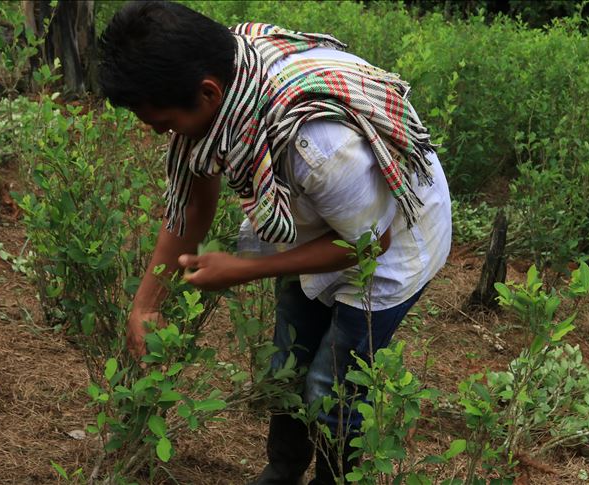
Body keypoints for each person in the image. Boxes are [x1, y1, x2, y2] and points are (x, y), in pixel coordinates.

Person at [97, 2, 451, 484]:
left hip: (391, 244)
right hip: (322, 224)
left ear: (207, 93)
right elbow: (195, 205)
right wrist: (145, 303)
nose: (161, 134)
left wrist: (241, 269)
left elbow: (371, 243)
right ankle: (283, 470)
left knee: (331, 389)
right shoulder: (226, 94)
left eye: (162, 123)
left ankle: (333, 478)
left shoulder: (317, 144)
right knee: (288, 368)